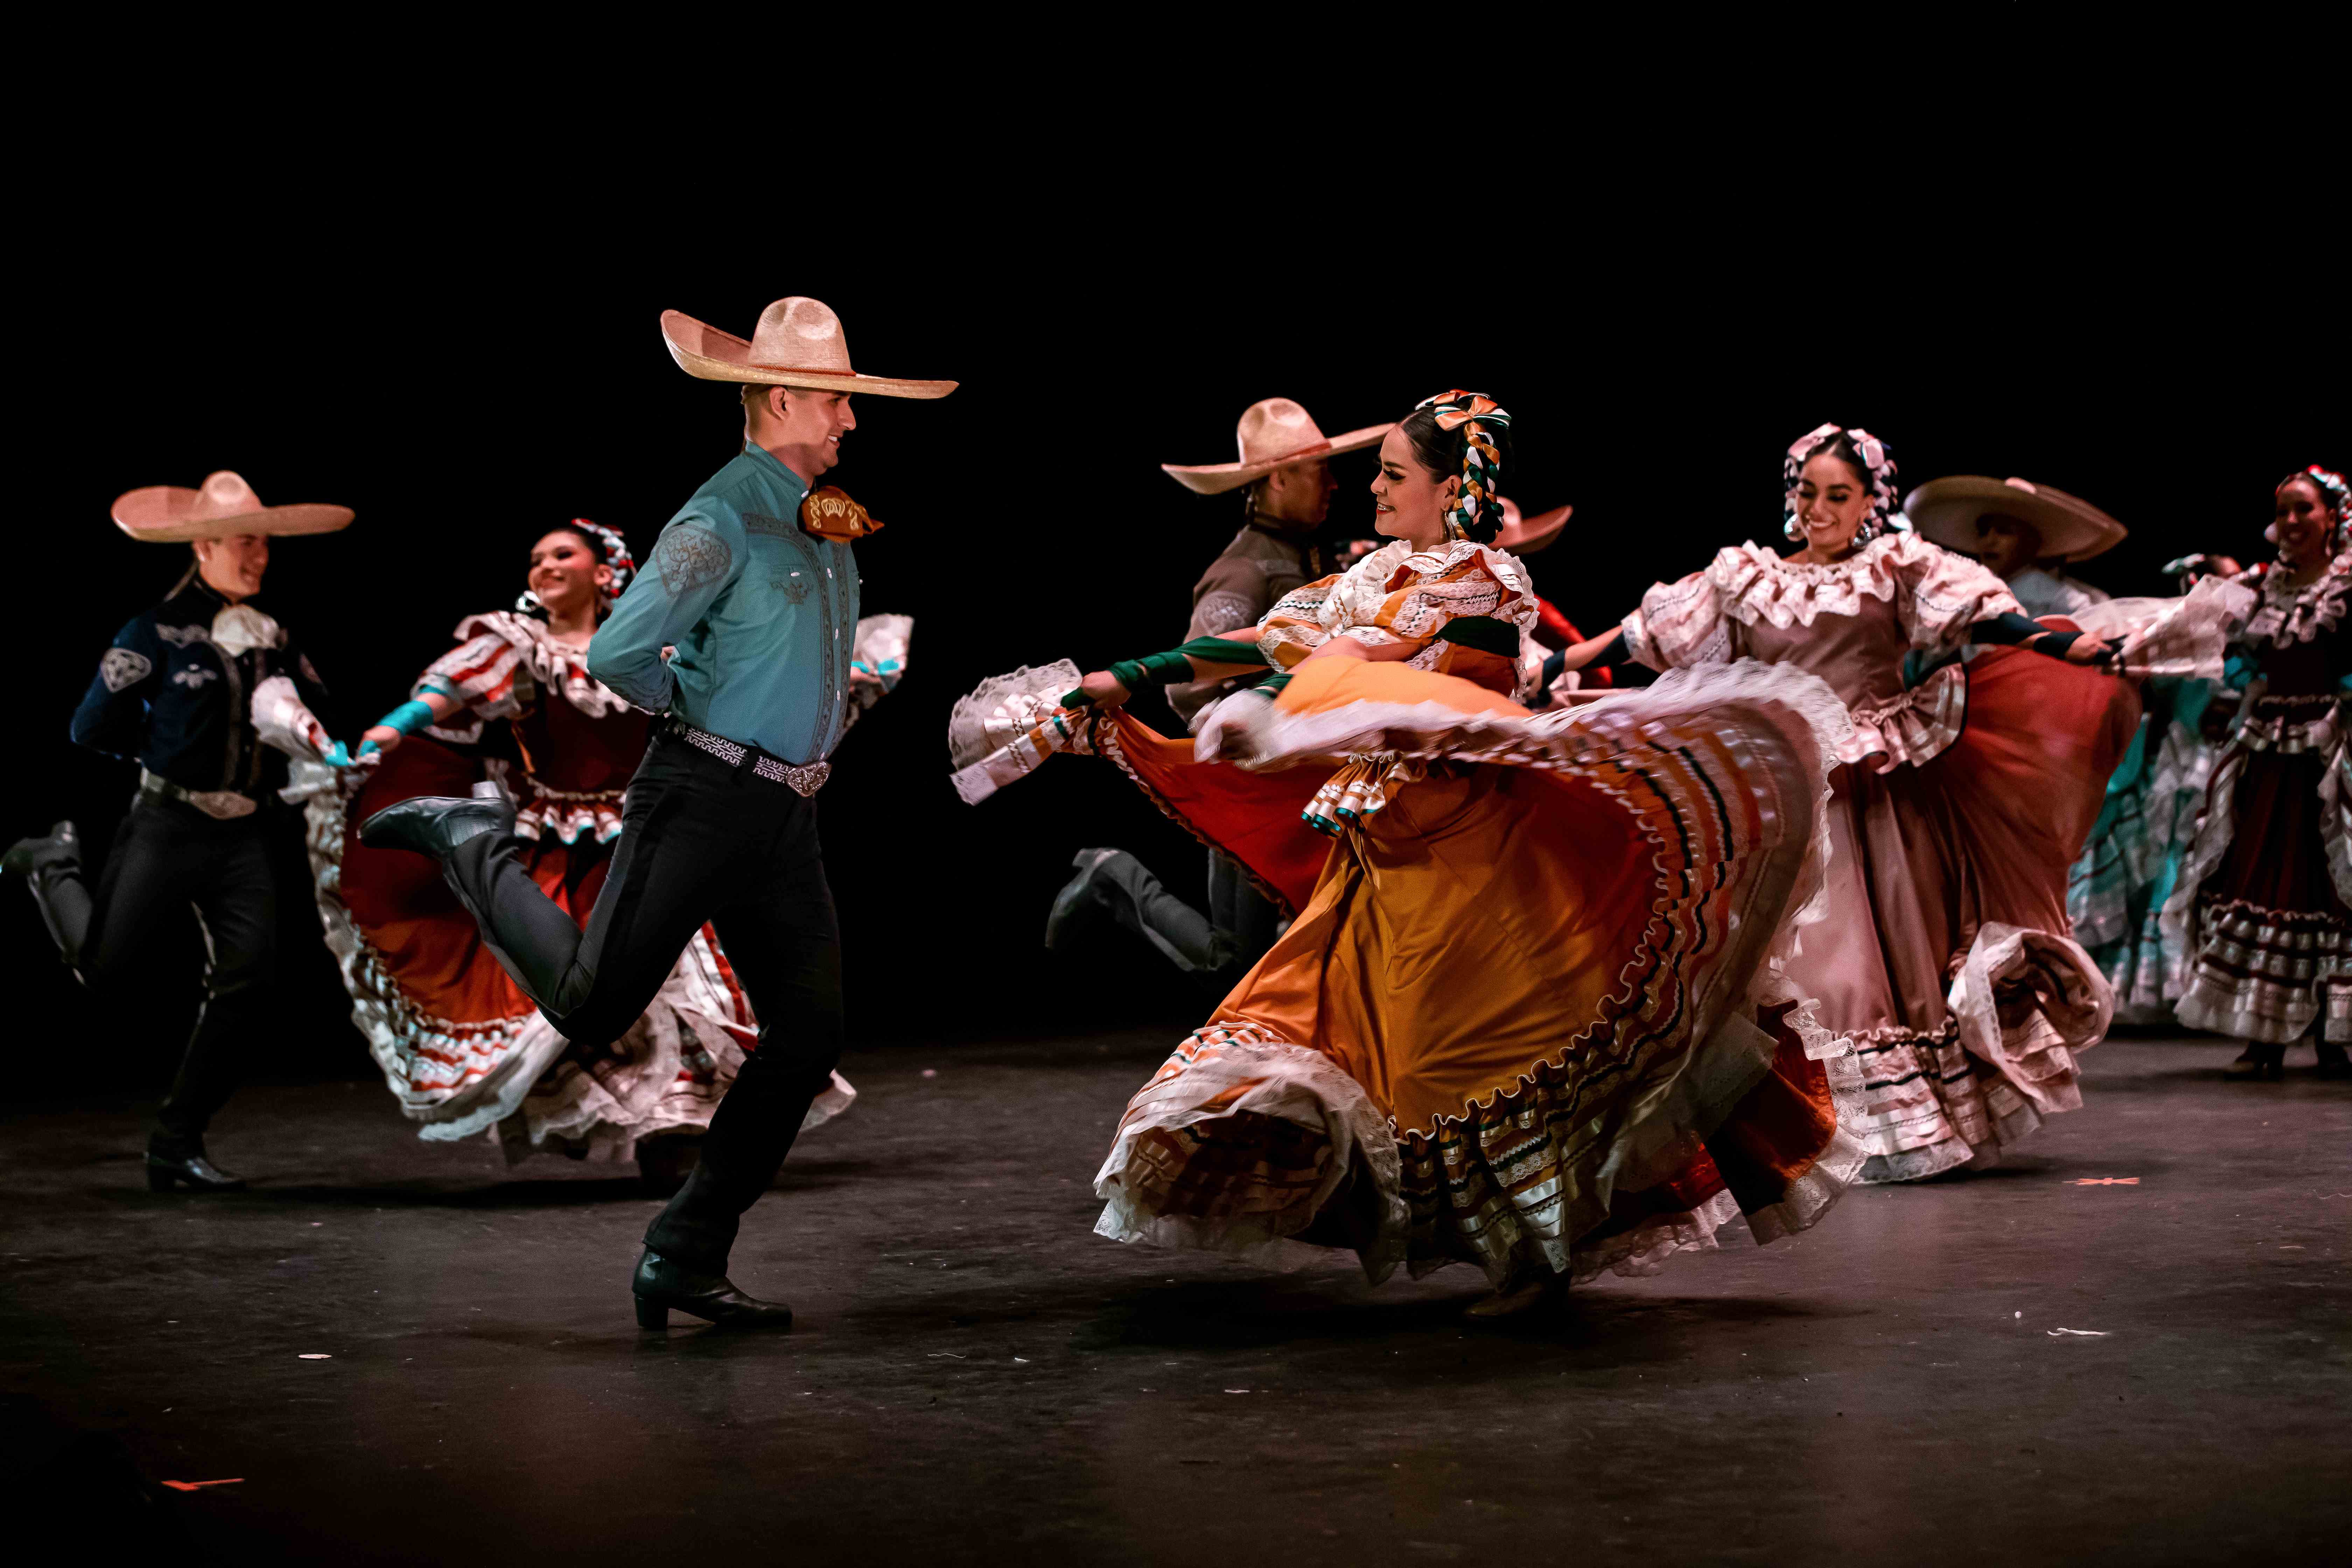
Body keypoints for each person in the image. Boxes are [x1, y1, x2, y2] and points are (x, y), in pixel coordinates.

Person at [955, 391, 1863, 1317]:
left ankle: (1535, 1260)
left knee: (1481, 1060)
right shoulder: (1380, 575)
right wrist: (1130, 678)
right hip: (1379, 857)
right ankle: (1353, 1187)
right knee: (1320, 1030)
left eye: (1394, 474)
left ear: (1446, 488)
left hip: (1468, 859)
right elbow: (1271, 639)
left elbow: (1435, 692)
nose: (1374, 489)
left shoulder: (1482, 585)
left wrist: (1284, 705)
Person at [357, 296, 954, 1329]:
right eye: (836, 401)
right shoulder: (716, 517)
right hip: (701, 796)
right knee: (594, 1008)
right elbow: (622, 652)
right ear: (781, 398)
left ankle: (683, 1248)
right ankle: (470, 841)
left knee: (807, 1037)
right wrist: (711, 713)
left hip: (782, 815)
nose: (851, 420)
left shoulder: (824, 520)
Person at [1554, 425, 2141, 1183]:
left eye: (1840, 494)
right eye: (1808, 492)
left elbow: (1981, 616)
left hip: (1870, 788)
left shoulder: (1894, 567)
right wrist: (1558, 664)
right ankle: (1784, 1122)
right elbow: (1648, 635)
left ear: (1871, 501)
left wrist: (2059, 646)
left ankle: (1871, 1128)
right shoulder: (1745, 575)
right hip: (1778, 785)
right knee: (1772, 955)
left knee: (1858, 961)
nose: (1820, 507)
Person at [258, 520, 866, 1191]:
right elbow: (445, 697)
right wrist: (391, 728)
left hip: (656, 828)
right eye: (536, 558)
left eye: (561, 555)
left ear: (605, 572)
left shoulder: (652, 644)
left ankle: (676, 1131)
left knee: (683, 985)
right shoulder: (517, 646)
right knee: (575, 992)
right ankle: (635, 1126)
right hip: (562, 842)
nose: (543, 566)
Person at [4, 472, 350, 1191]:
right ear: (204, 546)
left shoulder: (273, 631)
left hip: (245, 833)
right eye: (244, 544)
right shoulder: (152, 631)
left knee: (250, 979)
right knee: (103, 972)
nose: (258, 558)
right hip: (170, 822)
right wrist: (164, 755)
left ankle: (176, 1140)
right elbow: (90, 725)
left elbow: (310, 706)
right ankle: (53, 865)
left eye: (263, 544)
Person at [1046, 399, 1388, 982]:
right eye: (1318, 470)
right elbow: (1192, 681)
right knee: (1234, 958)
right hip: (1253, 780)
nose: (1334, 482)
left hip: (1304, 779)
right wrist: (1238, 744)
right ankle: (1114, 877)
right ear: (1279, 478)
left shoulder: (1304, 556)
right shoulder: (1247, 570)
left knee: (1292, 933)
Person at [2169, 465, 2352, 1079]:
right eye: (2284, 511)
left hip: (2332, 749)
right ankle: (2264, 1033)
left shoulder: (2348, 584)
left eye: (2304, 509)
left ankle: (2335, 1033)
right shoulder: (2261, 586)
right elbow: (2194, 633)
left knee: (2332, 883)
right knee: (2261, 876)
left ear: (2333, 516)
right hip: (2271, 749)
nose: (2292, 522)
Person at [1907, 474, 2123, 621]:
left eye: (2004, 531)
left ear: (2028, 543)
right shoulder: (1968, 592)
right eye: (1984, 531)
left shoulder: (2067, 601)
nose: (1989, 541)